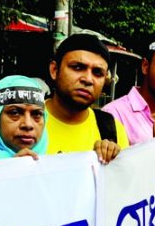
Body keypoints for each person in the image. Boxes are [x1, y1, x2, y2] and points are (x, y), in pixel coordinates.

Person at [44, 33, 128, 164]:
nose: (88, 79)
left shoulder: (112, 131)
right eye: (77, 67)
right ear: (54, 70)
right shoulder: (22, 122)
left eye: (98, 73)